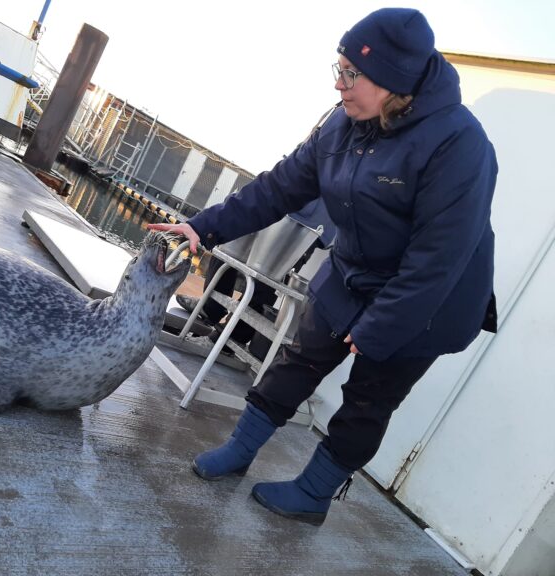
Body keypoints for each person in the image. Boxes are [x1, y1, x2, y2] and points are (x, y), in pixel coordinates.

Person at [148, 7, 498, 526]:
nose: (339, 84)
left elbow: (438, 259)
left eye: (351, 74)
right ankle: (240, 450)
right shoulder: (343, 123)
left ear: (394, 80)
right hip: (355, 273)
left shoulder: (459, 145)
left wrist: (379, 329)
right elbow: (279, 187)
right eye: (336, 68)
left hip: (429, 303)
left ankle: (313, 494)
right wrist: (206, 227)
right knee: (298, 359)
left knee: (367, 398)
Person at [176, 198, 336, 351]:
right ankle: (211, 307)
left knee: (266, 280)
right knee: (227, 247)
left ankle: (228, 341)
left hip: (311, 224)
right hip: (278, 205)